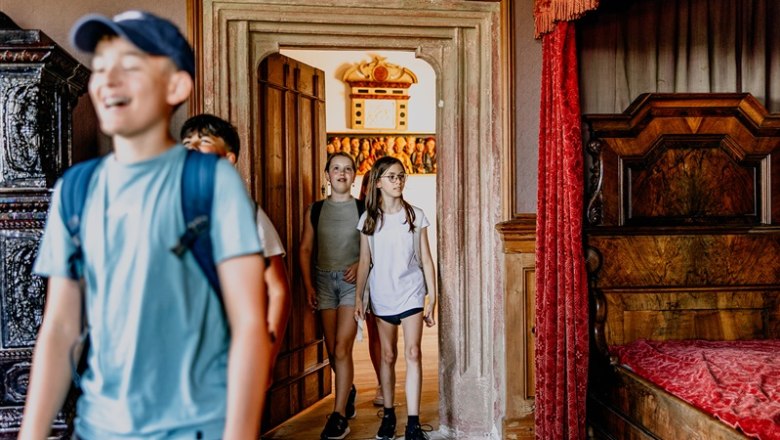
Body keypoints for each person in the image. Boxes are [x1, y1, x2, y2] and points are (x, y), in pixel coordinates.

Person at [19, 10, 272, 440]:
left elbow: (249, 322)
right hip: (101, 427)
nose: (108, 80)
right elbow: (61, 328)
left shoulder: (211, 182)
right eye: (100, 68)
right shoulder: (75, 190)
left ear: (176, 85)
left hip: (197, 428)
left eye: (130, 66)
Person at [181, 113, 291, 370]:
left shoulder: (249, 216)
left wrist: (268, 358)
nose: (193, 148)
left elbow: (278, 290)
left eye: (203, 141)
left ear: (228, 159)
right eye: (187, 144)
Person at [355, 156, 437, 440]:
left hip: (412, 292)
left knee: (413, 352)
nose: (398, 181)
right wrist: (358, 299)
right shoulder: (368, 220)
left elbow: (426, 259)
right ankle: (388, 415)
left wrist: (433, 296)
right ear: (378, 182)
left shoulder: (415, 215)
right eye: (392, 176)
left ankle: (413, 423)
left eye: (401, 176)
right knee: (387, 355)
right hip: (381, 294)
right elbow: (365, 262)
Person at [299, 152, 363, 440]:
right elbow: (304, 250)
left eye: (347, 169)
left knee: (341, 349)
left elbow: (374, 248)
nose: (341, 173)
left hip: (351, 284)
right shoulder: (314, 209)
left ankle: (338, 417)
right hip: (324, 281)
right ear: (327, 175)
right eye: (336, 168)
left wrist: (360, 263)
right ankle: (347, 391)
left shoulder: (363, 210)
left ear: (353, 175)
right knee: (331, 348)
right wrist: (309, 286)